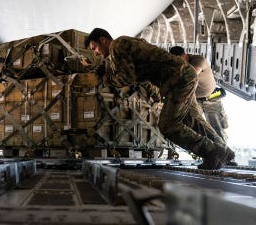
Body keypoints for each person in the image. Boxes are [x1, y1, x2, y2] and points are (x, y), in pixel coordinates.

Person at [84, 28, 234, 169]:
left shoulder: (117, 46)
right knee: (192, 120)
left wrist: (105, 78)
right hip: (182, 76)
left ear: (103, 40)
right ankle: (225, 151)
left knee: (168, 126)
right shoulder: (123, 45)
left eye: (94, 48)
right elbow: (140, 72)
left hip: (178, 79)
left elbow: (127, 78)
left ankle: (212, 151)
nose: (95, 53)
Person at [169, 46, 229, 142]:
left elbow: (192, 74)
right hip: (196, 100)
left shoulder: (198, 60)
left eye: (180, 59)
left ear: (185, 55)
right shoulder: (178, 65)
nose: (178, 62)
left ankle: (224, 152)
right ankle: (208, 151)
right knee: (197, 127)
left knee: (218, 129)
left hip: (211, 98)